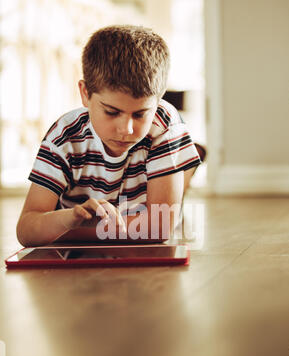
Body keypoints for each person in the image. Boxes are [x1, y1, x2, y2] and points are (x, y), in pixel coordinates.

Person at [17, 25, 201, 247]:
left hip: (140, 199)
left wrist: (71, 231)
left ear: (159, 100)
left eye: (141, 113)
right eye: (112, 112)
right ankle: (182, 166)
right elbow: (27, 230)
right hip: (128, 214)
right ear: (85, 94)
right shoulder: (64, 137)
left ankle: (182, 168)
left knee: (172, 207)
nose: (126, 129)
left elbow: (160, 227)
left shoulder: (165, 124)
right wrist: (69, 218)